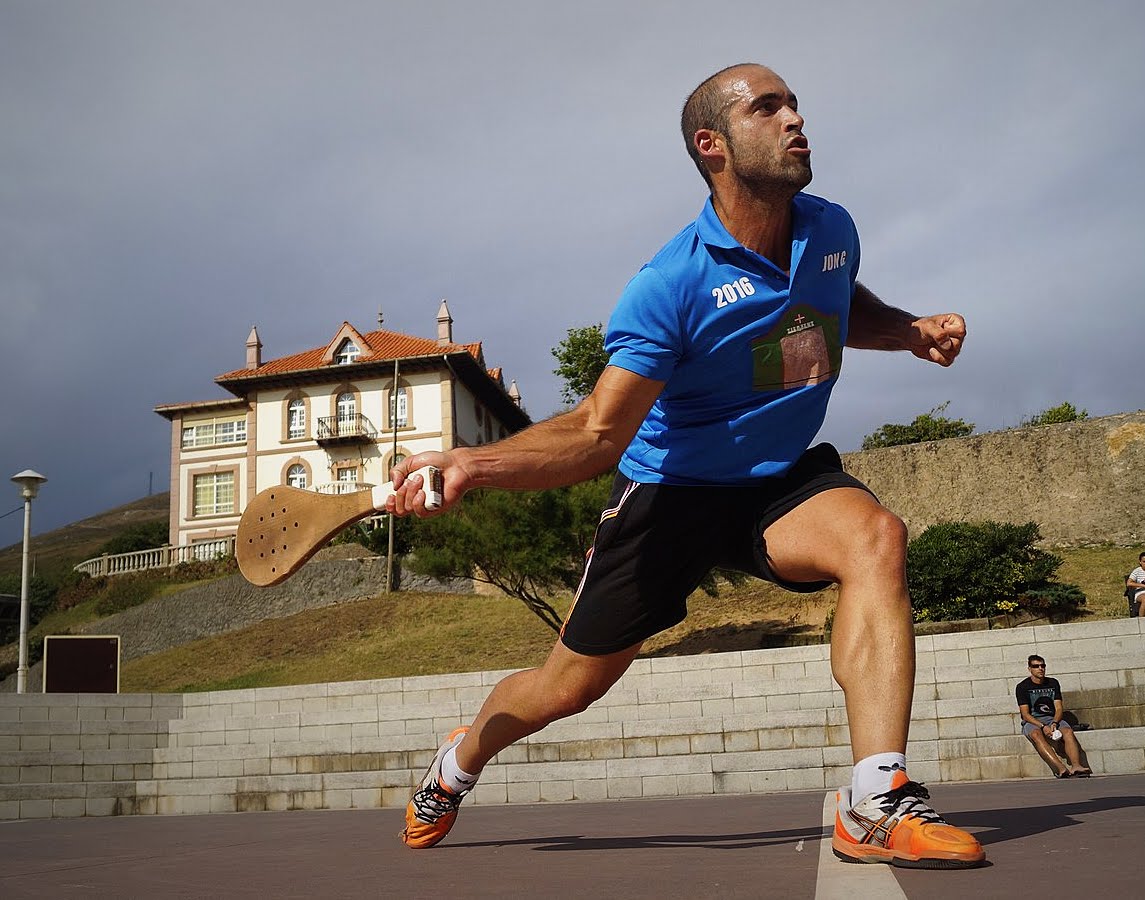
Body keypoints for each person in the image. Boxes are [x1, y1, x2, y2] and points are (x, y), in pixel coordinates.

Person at [384, 63, 984, 870]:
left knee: (875, 536)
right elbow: (598, 431)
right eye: (767, 108)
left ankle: (876, 801)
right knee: (566, 688)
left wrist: (906, 330)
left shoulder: (830, 230)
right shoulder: (671, 284)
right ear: (712, 145)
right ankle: (457, 764)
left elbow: (836, 307)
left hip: (778, 479)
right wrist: (471, 463)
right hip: (668, 495)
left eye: (794, 104)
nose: (795, 119)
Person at [1016, 655, 1092, 777]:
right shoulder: (1022, 687)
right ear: (1029, 669)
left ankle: (1076, 766)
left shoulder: (1053, 683)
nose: (1040, 668)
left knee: (1068, 731)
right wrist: (1043, 726)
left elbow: (1059, 708)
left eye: (1043, 665)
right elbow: (1025, 714)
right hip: (1033, 721)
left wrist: (1055, 723)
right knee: (1036, 735)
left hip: (1052, 718)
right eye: (1036, 666)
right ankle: (1060, 768)